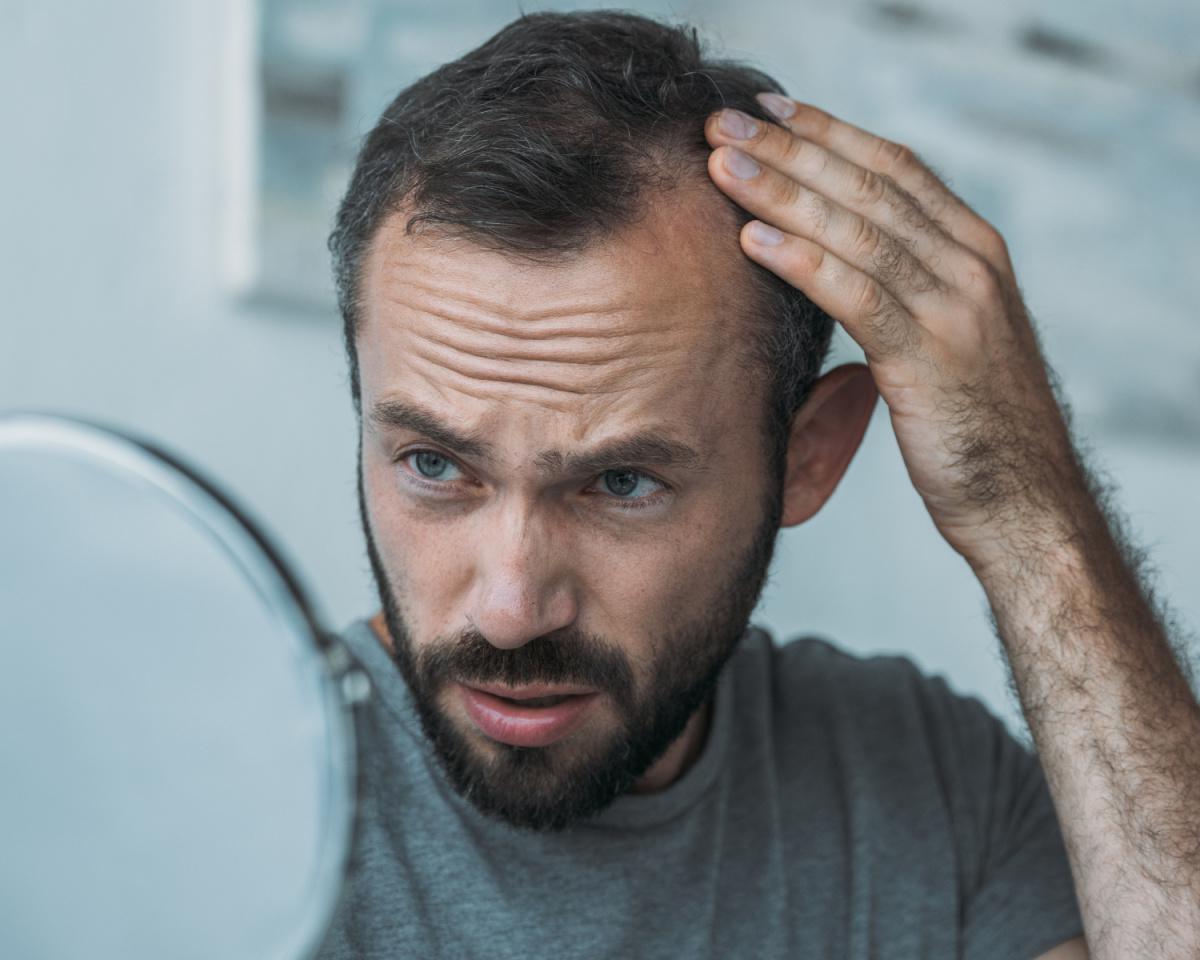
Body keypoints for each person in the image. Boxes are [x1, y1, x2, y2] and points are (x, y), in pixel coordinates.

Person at [315, 10, 1199, 959]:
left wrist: (1028, 511)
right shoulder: (233, 796)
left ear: (808, 456)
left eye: (621, 482)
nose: (511, 611)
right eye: (435, 465)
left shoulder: (932, 789)